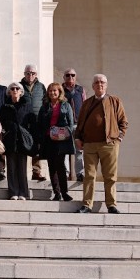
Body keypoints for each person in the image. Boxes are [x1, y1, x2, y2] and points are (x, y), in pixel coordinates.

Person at [74, 74, 128, 214]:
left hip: (109, 144)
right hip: (90, 144)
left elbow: (123, 122)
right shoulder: (87, 103)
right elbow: (80, 123)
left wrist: (119, 138)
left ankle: (111, 204)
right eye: (97, 82)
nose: (100, 84)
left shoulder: (115, 101)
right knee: (89, 175)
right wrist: (77, 138)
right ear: (93, 86)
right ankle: (87, 204)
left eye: (102, 82)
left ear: (106, 85)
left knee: (110, 176)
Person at [37, 83, 75, 202]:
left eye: (55, 91)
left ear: (59, 92)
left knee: (60, 165)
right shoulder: (44, 107)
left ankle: (64, 192)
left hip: (61, 140)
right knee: (51, 166)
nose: (52, 93)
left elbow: (71, 123)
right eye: (50, 91)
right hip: (48, 140)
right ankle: (57, 193)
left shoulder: (66, 105)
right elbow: (40, 123)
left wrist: (63, 133)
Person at [0, 82, 35, 201]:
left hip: (22, 140)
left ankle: (23, 193)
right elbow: (0, 123)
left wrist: (29, 136)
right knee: (11, 167)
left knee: (22, 168)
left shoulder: (27, 106)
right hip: (10, 140)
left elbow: (33, 123)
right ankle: (13, 192)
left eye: (17, 89)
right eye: (12, 89)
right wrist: (5, 133)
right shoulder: (5, 107)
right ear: (9, 92)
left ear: (21, 92)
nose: (15, 90)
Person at [21, 64, 47, 182]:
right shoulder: (19, 86)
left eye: (32, 73)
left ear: (36, 74)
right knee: (23, 145)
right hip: (24, 121)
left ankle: (36, 172)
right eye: (28, 73)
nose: (30, 75)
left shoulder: (41, 87)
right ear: (24, 74)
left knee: (36, 146)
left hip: (37, 121)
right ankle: (21, 173)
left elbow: (45, 102)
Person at [62, 68, 87, 181]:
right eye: (68, 75)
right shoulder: (60, 89)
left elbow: (85, 106)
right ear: (64, 77)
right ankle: (65, 173)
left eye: (72, 75)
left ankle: (80, 173)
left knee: (79, 150)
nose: (70, 77)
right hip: (64, 124)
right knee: (64, 150)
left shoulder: (80, 90)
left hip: (78, 124)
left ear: (75, 77)